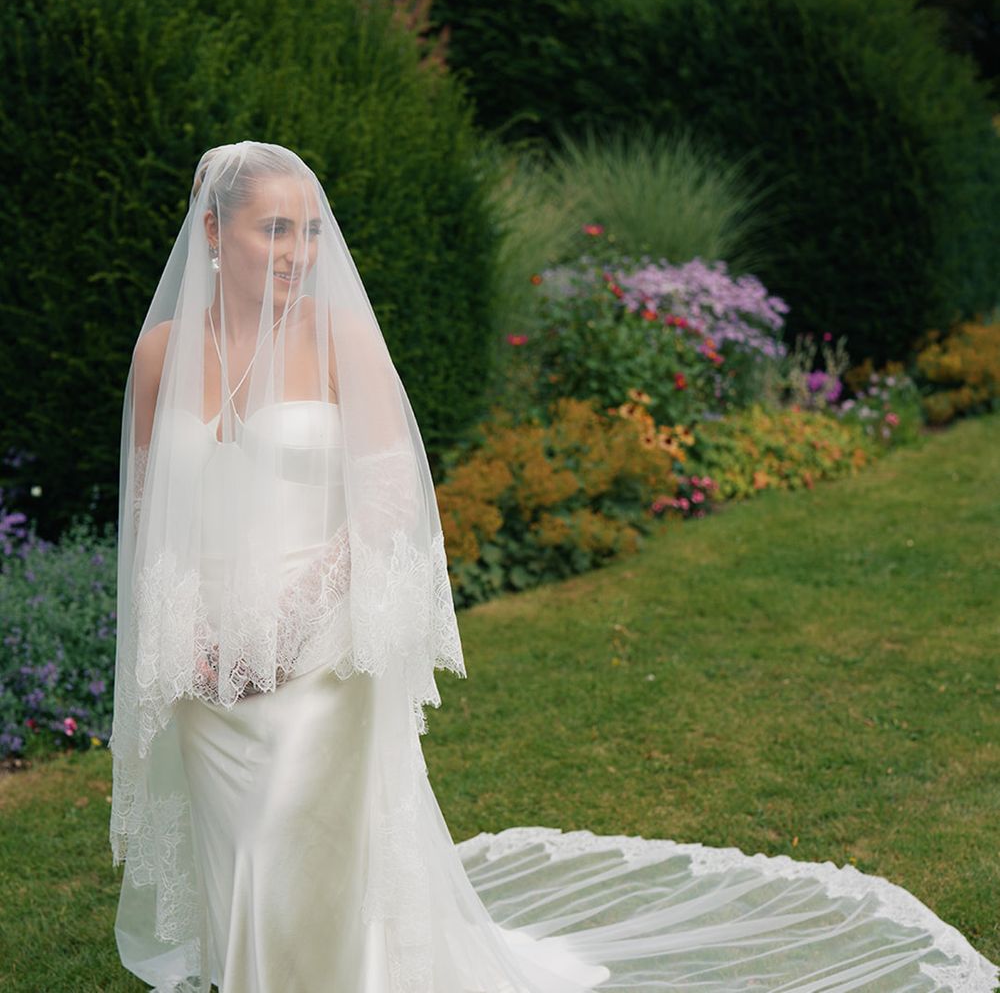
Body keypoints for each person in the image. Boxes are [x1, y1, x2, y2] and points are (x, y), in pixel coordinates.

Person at [110, 142, 998, 993]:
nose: (301, 253)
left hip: (318, 647)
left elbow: (387, 505)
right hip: (205, 658)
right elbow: (155, 513)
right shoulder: (162, 354)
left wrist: (283, 634)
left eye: (311, 230)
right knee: (236, 842)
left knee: (289, 834)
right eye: (277, 230)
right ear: (214, 232)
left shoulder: (340, 338)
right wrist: (191, 639)